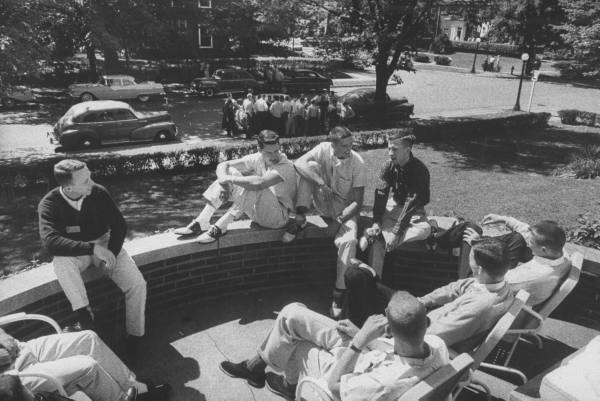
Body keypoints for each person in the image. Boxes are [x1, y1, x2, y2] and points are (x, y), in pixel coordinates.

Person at [219, 292, 448, 401]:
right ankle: (258, 366)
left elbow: (334, 385)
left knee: (297, 343)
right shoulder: (436, 345)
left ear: (388, 324)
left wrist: (358, 342)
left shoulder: (383, 385)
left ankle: (284, 382)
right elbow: (400, 350)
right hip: (373, 354)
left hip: (350, 371)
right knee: (293, 313)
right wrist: (362, 334)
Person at [38, 160, 146, 352]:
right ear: (68, 186)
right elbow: (51, 242)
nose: (92, 182)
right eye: (85, 180)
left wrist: (110, 253)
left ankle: (135, 335)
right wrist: (92, 249)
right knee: (61, 262)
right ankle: (86, 319)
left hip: (105, 245)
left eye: (89, 176)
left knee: (137, 284)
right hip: (78, 252)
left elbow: (119, 225)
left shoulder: (98, 192)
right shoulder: (49, 203)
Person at [344, 237, 515, 347]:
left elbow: (432, 336)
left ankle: (353, 339)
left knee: (355, 277)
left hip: (412, 331)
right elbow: (453, 289)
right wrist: (421, 301)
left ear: (480, 270)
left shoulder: (479, 308)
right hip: (420, 313)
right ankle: (372, 279)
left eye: (471, 261)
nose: (469, 265)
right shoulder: (493, 282)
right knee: (358, 275)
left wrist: (388, 330)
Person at [282, 126, 367, 318]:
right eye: (344, 145)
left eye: (351, 144)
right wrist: (320, 182)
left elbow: (357, 202)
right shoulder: (323, 149)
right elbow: (298, 163)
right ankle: (300, 218)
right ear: (332, 145)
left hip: (344, 209)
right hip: (322, 198)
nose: (349, 149)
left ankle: (338, 294)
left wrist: (339, 220)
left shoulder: (358, 163)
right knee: (308, 167)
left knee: (349, 242)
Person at [174, 130, 297, 243]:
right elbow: (224, 165)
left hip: (278, 218)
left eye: (276, 151)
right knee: (232, 172)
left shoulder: (284, 166)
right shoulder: (258, 158)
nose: (274, 156)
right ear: (259, 149)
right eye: (269, 152)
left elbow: (258, 183)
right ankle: (202, 221)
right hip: (257, 211)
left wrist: (230, 179)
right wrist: (224, 183)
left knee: (254, 184)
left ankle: (221, 226)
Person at [0, 330, 169, 401]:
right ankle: (120, 399)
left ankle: (135, 389)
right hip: (12, 375)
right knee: (88, 367)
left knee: (88, 338)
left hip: (20, 349)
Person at [362, 133, 431, 277]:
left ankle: (378, 236)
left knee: (424, 230)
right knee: (378, 237)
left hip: (414, 210)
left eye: (395, 149)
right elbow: (380, 195)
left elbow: (411, 203)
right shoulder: (387, 166)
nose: (390, 153)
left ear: (407, 150)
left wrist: (395, 233)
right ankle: (374, 283)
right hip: (394, 205)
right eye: (389, 149)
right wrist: (376, 222)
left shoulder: (420, 170)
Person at [462, 215, 570, 307]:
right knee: (518, 238)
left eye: (531, 242)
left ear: (543, 250)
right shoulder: (560, 253)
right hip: (506, 278)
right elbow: (526, 231)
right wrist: (504, 219)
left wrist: (477, 245)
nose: (528, 243)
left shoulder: (531, 276)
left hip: (483, 285)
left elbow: (491, 282)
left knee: (468, 230)